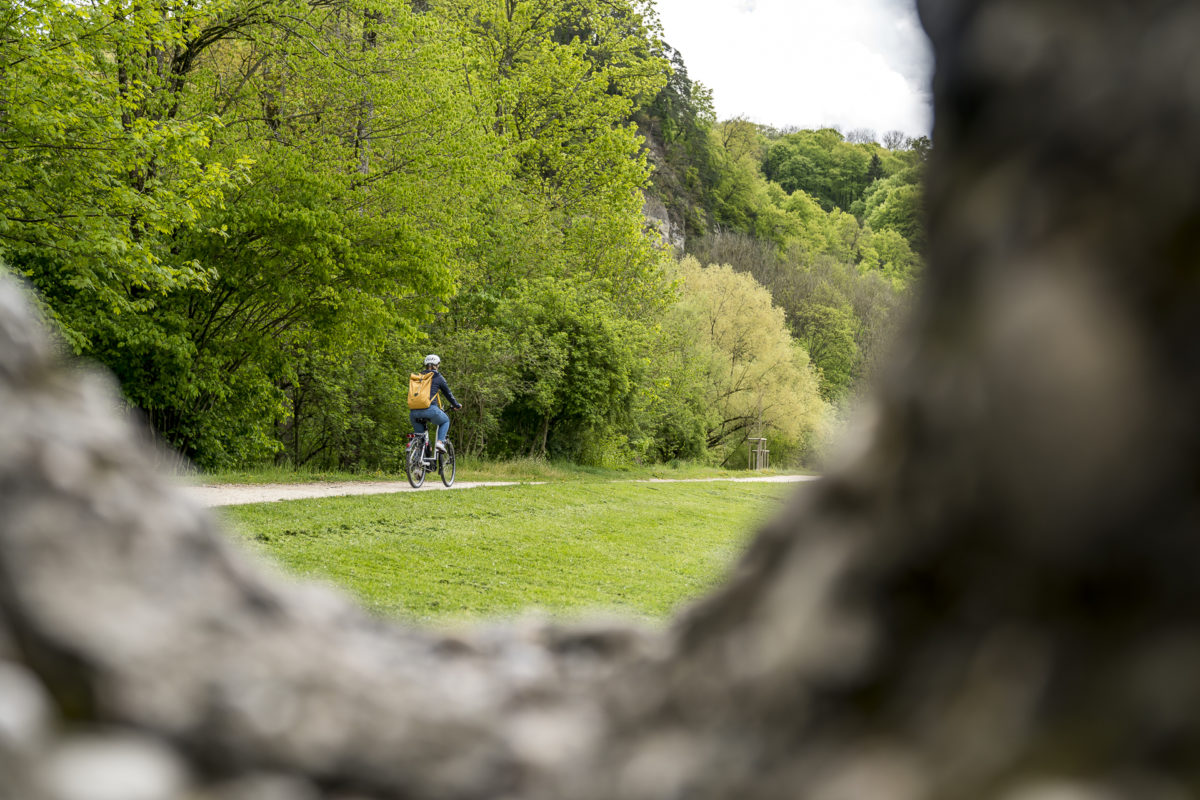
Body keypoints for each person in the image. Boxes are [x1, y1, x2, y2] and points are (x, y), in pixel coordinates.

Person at [409, 354, 462, 452]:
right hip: (430, 410)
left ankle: (417, 463)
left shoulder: (419, 377)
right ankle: (440, 443)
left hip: (414, 413)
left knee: (420, 440)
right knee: (445, 421)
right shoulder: (438, 377)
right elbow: (448, 394)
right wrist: (456, 405)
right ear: (437, 365)